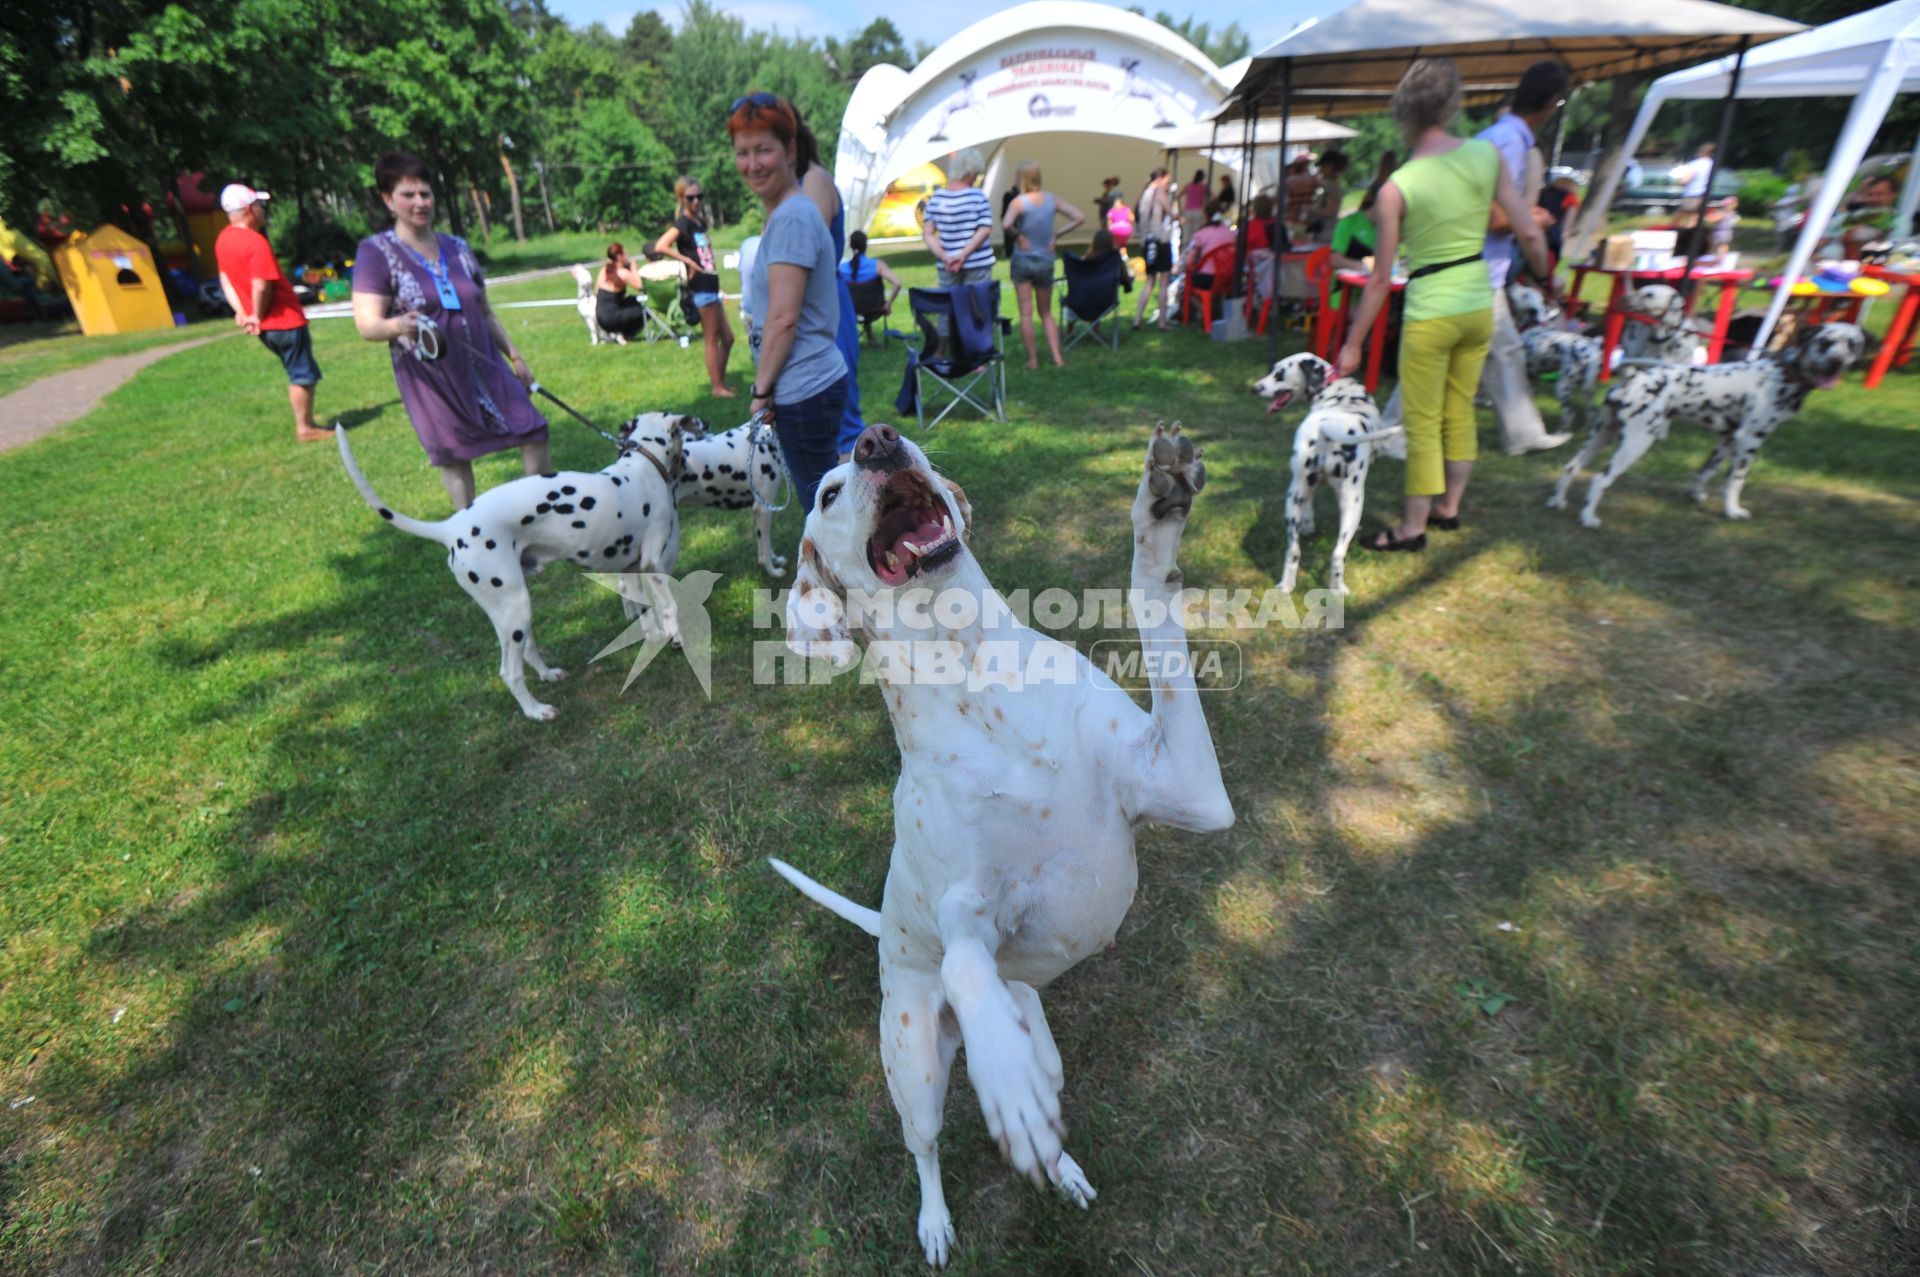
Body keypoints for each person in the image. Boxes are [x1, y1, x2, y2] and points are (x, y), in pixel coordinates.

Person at [1338, 57, 1553, 553]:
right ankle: (1449, 508)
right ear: (1454, 105)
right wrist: (1546, 274)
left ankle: (1412, 528)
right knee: (1458, 410)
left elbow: (1378, 281)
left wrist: (1352, 347)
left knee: (1422, 418)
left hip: (1430, 306)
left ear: (1401, 114)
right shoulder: (1486, 156)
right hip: (1479, 299)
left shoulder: (1397, 187)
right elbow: (1526, 229)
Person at [351, 151, 549, 510]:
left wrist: (515, 357)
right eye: (408, 195)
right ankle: (471, 537)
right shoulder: (375, 252)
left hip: (486, 363)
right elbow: (367, 324)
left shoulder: (457, 248)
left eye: (425, 193)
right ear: (387, 200)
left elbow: (485, 310)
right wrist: (399, 325)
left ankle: (536, 522)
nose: (420, 202)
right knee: (455, 455)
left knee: (533, 428)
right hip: (432, 375)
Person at [730, 91, 847, 513]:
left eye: (764, 150)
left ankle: (844, 579)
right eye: (743, 152)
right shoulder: (788, 212)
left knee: (824, 515)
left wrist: (760, 393)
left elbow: (783, 319)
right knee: (826, 505)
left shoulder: (793, 218)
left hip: (806, 387)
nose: (752, 163)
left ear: (790, 150)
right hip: (805, 385)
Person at [1473, 60, 1571, 455]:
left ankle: (1523, 432)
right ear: (1551, 102)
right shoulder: (1509, 142)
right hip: (1478, 267)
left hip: (1476, 267)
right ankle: (1523, 433)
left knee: (1502, 352)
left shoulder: (1493, 136)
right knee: (1495, 352)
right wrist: (1531, 220)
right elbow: (1490, 215)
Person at [214, 182, 328, 443]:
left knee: (297, 371)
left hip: (267, 325)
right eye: (259, 205)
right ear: (250, 210)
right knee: (302, 374)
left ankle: (306, 425)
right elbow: (261, 284)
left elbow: (226, 279)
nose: (263, 211)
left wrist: (242, 312)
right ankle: (305, 428)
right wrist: (255, 313)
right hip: (284, 321)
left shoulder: (223, 241)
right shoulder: (255, 242)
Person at [791, 107, 866, 463]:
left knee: (842, 406)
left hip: (824, 302)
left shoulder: (814, 179)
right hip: (805, 304)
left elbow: (807, 247)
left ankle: (854, 482)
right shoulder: (793, 189)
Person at [654, 175, 735, 397]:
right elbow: (660, 245)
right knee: (712, 338)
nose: (696, 202)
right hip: (700, 287)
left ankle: (721, 382)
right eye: (691, 198)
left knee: (728, 338)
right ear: (682, 198)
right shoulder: (683, 223)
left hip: (711, 284)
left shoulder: (699, 222)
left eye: (700, 197)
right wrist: (686, 260)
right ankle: (717, 387)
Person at [1002, 161, 1086, 368]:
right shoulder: (1052, 199)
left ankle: (1033, 360)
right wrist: (1057, 234)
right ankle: (1057, 357)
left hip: (1022, 259)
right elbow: (1079, 217)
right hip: (1045, 261)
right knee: (1046, 313)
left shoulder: (1019, 202)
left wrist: (1018, 235)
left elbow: (1005, 224)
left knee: (1025, 313)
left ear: (1021, 178)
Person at [923, 148, 996, 287]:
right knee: (978, 306)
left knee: (948, 305)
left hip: (947, 265)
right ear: (970, 172)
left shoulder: (937, 198)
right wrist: (963, 255)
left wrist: (945, 257)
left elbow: (928, 234)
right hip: (977, 263)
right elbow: (985, 230)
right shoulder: (977, 196)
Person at [839, 230, 904, 343]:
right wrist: (888, 304)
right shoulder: (877, 265)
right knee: (865, 300)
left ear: (850, 246)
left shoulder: (842, 268)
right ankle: (870, 337)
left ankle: (858, 338)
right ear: (866, 245)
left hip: (851, 308)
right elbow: (897, 284)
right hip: (875, 308)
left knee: (857, 299)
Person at [1132, 168, 1176, 331]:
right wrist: (1178, 216)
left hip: (1146, 241)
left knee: (1149, 281)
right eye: (1167, 181)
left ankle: (1137, 320)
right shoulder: (1158, 192)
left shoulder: (1144, 193)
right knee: (1164, 282)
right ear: (1160, 178)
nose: (1168, 185)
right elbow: (1171, 212)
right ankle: (1162, 322)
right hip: (1161, 241)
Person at [592, 242, 650, 342]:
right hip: (611, 318)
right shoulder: (622, 273)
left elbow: (597, 291)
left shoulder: (605, 270)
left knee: (632, 299)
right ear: (619, 256)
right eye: (625, 253)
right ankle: (626, 334)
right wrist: (633, 269)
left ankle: (617, 332)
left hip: (600, 316)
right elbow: (640, 286)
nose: (627, 256)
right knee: (646, 311)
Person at [1840, 173, 1899, 257]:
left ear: (1892, 195)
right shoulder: (1858, 213)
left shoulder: (1896, 219)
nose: (1874, 198)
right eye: (1870, 194)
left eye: (1879, 194)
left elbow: (1893, 247)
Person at [1308, 151, 1351, 237]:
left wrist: (1310, 209)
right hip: (1323, 233)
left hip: (1326, 235)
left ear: (1330, 167)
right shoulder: (1330, 186)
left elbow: (1329, 212)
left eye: (1322, 166)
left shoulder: (1333, 188)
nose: (1320, 170)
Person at [1672, 143, 1716, 212]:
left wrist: (1680, 181)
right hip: (1705, 193)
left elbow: (1686, 179)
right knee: (1696, 216)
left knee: (1685, 215)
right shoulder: (1712, 164)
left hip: (1693, 193)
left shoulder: (1695, 164)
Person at [1284, 154, 1320, 226]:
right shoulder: (1312, 178)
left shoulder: (1289, 181)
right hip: (1308, 215)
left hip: (1292, 217)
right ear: (1304, 165)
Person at [1179, 168, 1209, 248]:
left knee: (1186, 233)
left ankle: (1185, 254)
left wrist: (1180, 209)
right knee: (1197, 233)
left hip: (1188, 211)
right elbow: (1213, 197)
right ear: (1202, 178)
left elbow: (1178, 196)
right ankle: (1194, 253)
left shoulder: (1188, 186)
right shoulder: (1204, 187)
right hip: (1199, 211)